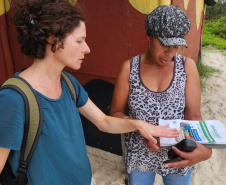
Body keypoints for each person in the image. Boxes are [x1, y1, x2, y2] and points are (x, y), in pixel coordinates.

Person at [0, 1, 180, 185]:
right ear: (53, 39)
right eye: (79, 41)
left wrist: (140, 125)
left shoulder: (68, 83)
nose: (87, 48)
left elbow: (103, 122)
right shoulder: (14, 98)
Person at [110, 5, 212, 185]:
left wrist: (203, 148)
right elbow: (116, 113)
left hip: (178, 150)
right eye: (164, 44)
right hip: (140, 152)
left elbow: (193, 116)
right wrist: (140, 128)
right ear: (149, 36)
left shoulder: (187, 67)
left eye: (176, 46)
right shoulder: (129, 68)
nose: (170, 53)